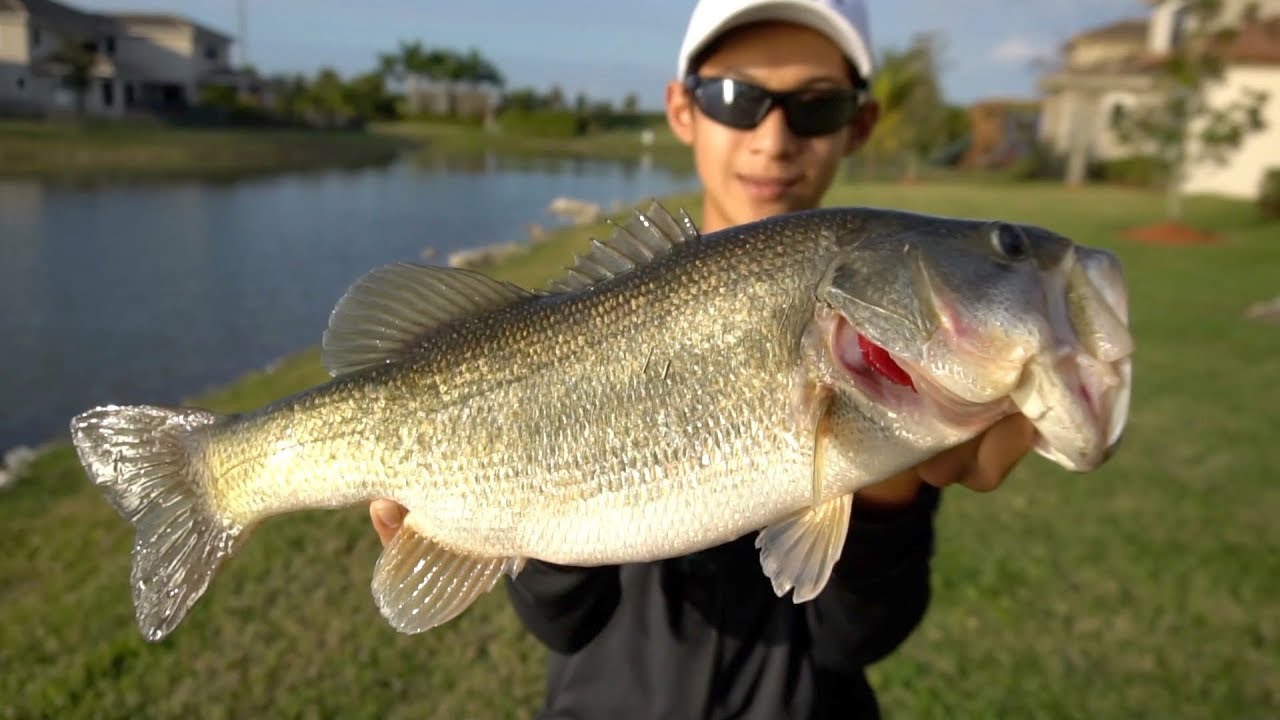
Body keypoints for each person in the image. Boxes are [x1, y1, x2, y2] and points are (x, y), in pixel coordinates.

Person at [371, 1, 1036, 717]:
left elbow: (855, 638)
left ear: (859, 124)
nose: (774, 139)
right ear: (682, 110)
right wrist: (499, 511)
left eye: (817, 106)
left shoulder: (878, 335)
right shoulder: (585, 327)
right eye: (735, 99)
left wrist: (888, 493)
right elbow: (561, 623)